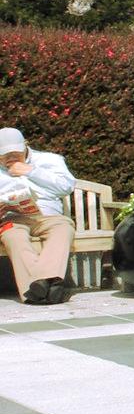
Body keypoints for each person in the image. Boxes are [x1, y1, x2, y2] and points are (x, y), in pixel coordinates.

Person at [0, 127, 76, 305]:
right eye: (4, 154)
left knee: (63, 229)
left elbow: (66, 187)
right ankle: (50, 285)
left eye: (14, 153)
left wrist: (31, 171)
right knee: (13, 236)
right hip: (13, 218)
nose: (10, 158)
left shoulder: (50, 160)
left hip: (49, 217)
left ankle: (34, 290)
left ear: (25, 146)